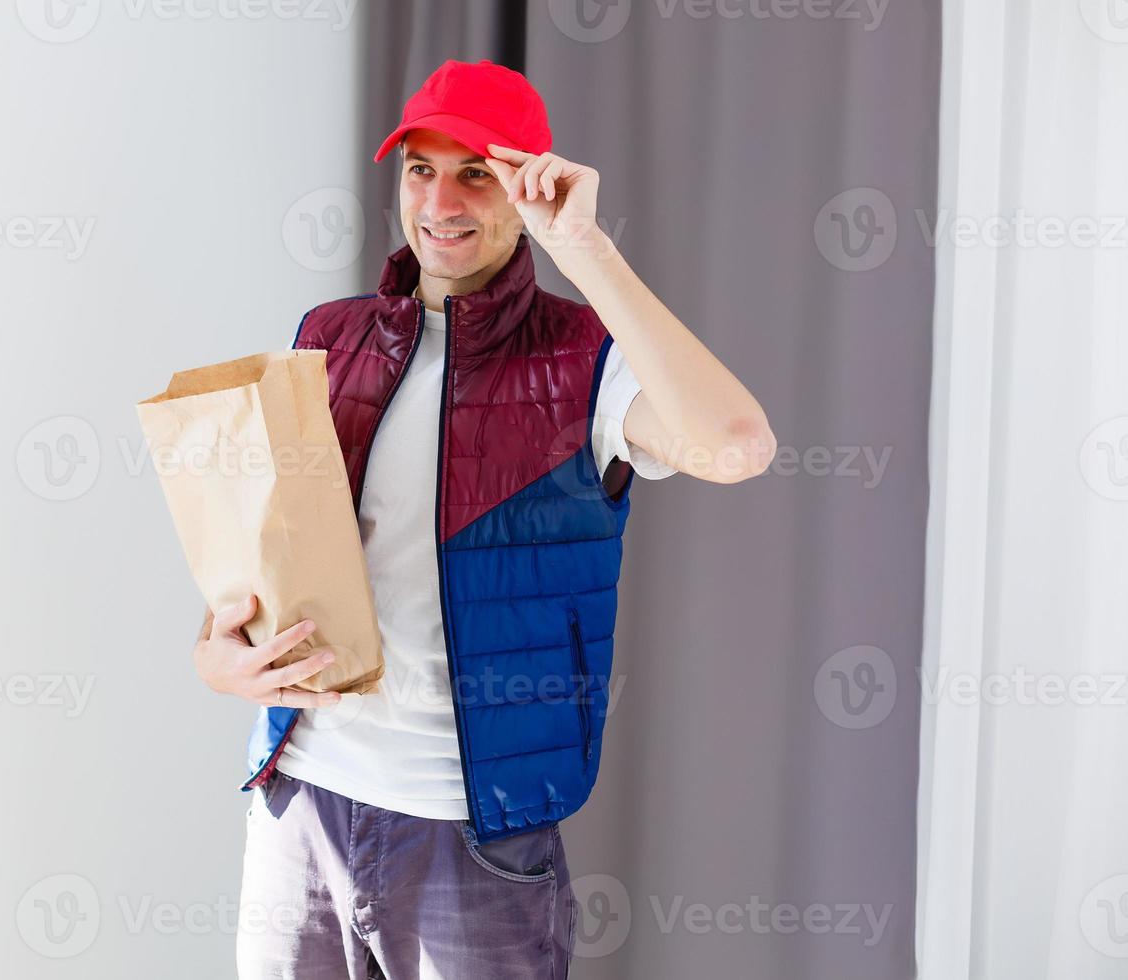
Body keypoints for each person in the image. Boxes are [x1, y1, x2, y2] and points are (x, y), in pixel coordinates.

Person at [192, 58, 775, 979]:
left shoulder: (584, 359)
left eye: (476, 172)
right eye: (421, 169)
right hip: (297, 805)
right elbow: (269, 558)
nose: (442, 200)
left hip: (473, 843)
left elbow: (738, 445)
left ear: (528, 184)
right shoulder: (327, 335)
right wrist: (217, 657)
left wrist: (585, 246)